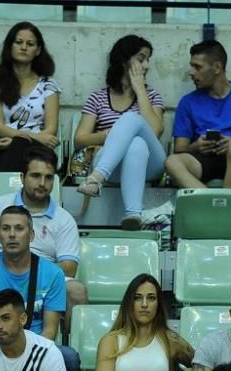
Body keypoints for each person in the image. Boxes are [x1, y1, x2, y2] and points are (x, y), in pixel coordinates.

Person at [0, 205, 80, 371]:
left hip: (36, 346)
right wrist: (6, 352)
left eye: (19, 228)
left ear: (31, 235)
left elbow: (50, 331)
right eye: (6, 229)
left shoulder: (53, 274)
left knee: (69, 357)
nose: (12, 234)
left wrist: (25, 353)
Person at [0, 146, 86, 325]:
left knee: (76, 291)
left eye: (48, 178)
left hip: (42, 281)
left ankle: (66, 346)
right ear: (22, 178)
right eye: (35, 176)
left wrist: (26, 274)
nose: (42, 183)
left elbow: (69, 268)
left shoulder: (64, 219)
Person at [74, 34, 166, 229]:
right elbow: (80, 139)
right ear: (124, 61)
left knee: (132, 121)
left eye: (148, 60)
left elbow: (156, 131)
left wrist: (140, 90)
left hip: (150, 165)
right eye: (141, 59)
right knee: (136, 144)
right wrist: (111, 135)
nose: (147, 65)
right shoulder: (98, 98)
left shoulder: (151, 96)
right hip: (112, 164)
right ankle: (133, 214)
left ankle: (96, 179)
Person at [164, 40, 231, 190]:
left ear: (217, 67)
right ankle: (210, 202)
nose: (191, 72)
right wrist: (196, 146)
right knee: (172, 162)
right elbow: (180, 148)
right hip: (204, 159)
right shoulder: (187, 102)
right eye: (191, 66)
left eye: (197, 67)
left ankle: (227, 205)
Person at [0, 22, 61, 172]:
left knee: (19, 147)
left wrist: (16, 141)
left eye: (30, 44)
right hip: (4, 146)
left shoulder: (48, 85)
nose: (24, 47)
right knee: (15, 148)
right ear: (9, 46)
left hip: (39, 150)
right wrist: (25, 139)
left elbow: (50, 130)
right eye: (18, 42)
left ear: (38, 50)